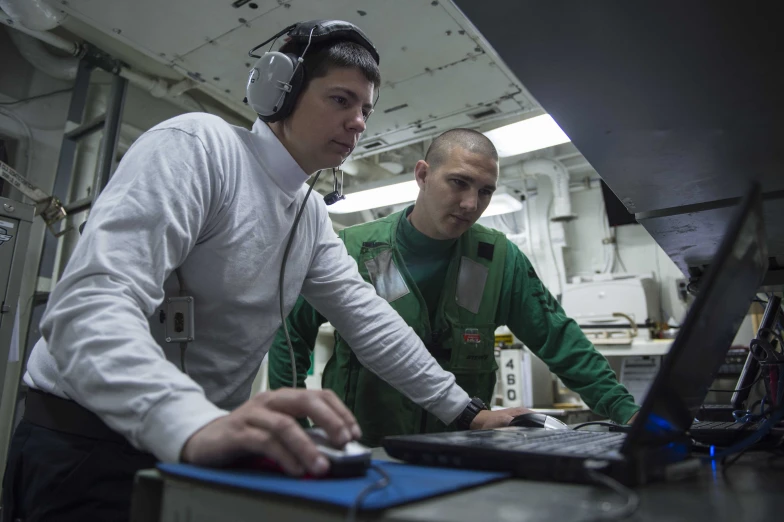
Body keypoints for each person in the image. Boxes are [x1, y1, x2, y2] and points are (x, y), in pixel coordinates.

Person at [1, 21, 518, 522]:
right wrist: (191, 423)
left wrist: (466, 412)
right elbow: (89, 306)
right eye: (341, 100)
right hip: (86, 445)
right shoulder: (199, 147)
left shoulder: (309, 214)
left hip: (192, 443)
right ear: (280, 91)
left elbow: (371, 323)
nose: (359, 122)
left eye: (365, 109)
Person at [268, 128, 641, 446]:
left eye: (485, 191)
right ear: (423, 174)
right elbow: (290, 336)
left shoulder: (498, 260)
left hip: (462, 450)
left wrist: (628, 412)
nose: (470, 203)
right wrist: (295, 428)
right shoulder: (352, 249)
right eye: (459, 182)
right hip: (366, 452)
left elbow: (560, 341)